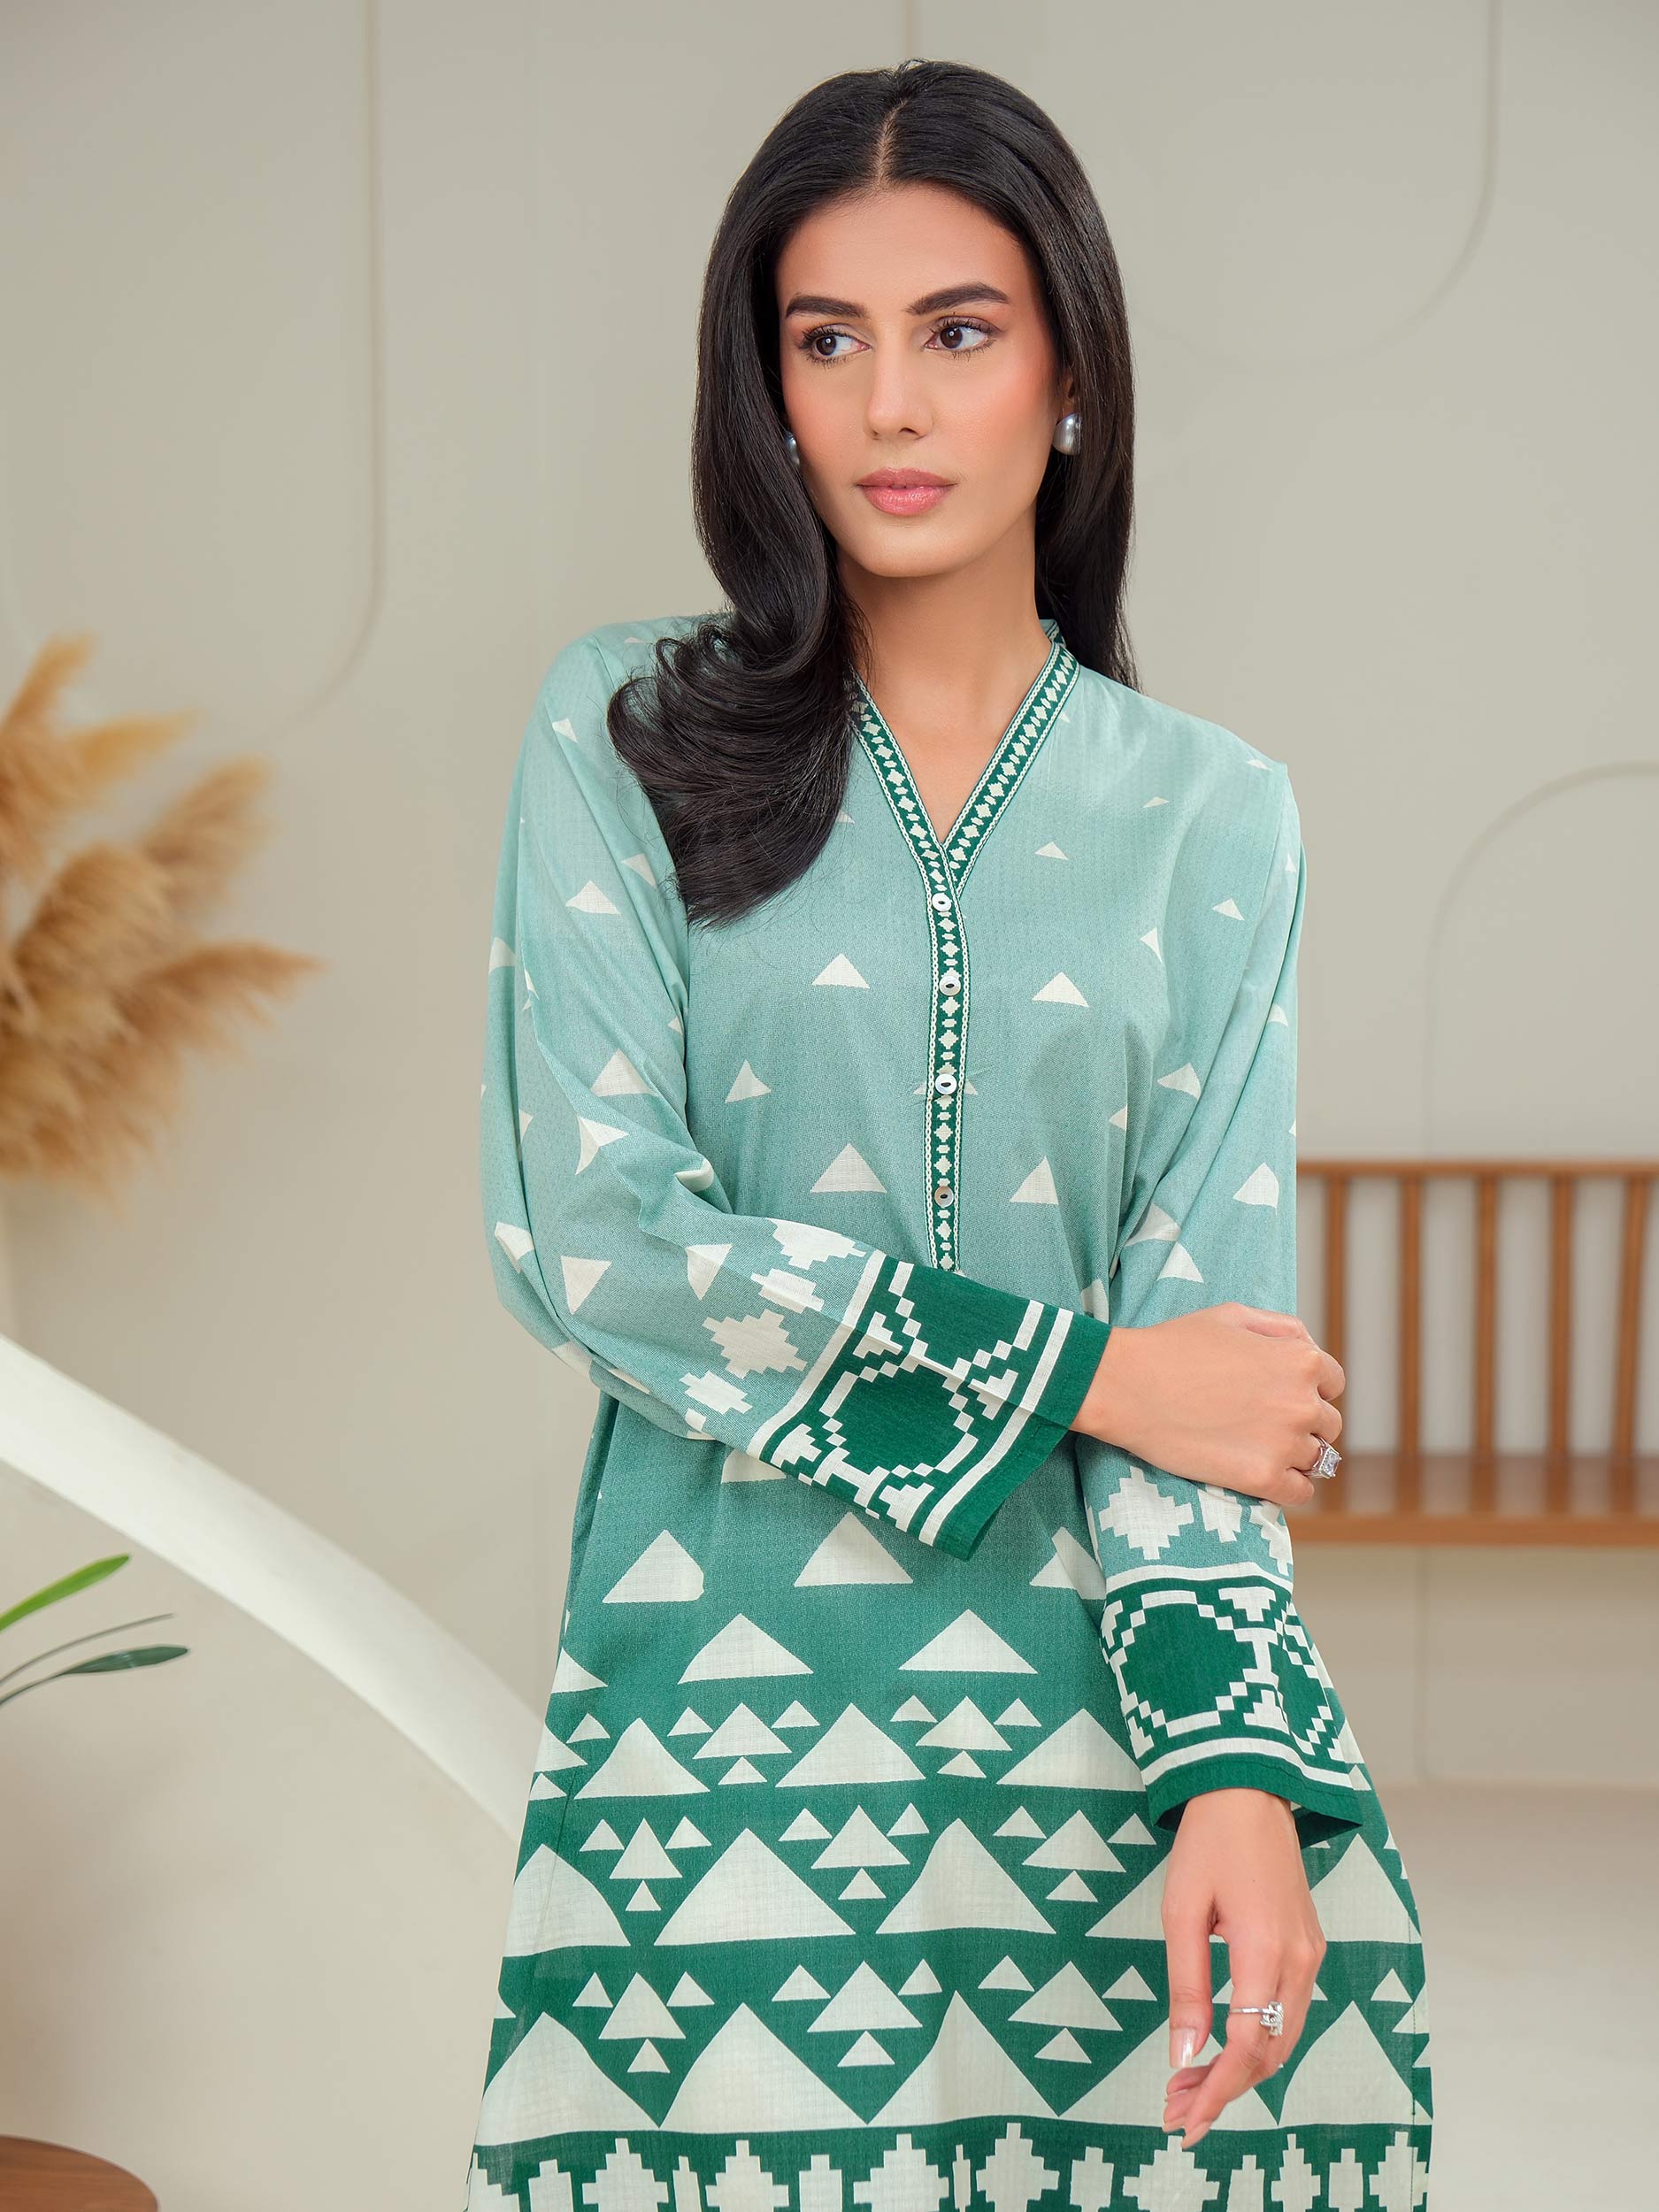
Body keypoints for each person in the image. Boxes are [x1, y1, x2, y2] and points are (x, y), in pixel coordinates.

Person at [462, 57, 1433, 2212]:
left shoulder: (1210, 815)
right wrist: (1094, 1374)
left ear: (1069, 374)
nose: (887, 406)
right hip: (719, 1720)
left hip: (1103, 1720)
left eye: (957, 331)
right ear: (763, 389)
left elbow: (1213, 1353)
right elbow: (598, 1243)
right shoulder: (622, 736)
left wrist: (1234, 1770)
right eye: (826, 340)